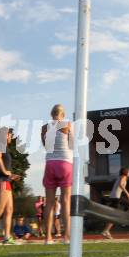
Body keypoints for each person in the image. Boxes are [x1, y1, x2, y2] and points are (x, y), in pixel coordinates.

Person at [41, 104, 73, 244]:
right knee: (66, 201)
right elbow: (72, 145)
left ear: (51, 114)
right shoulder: (68, 125)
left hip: (50, 164)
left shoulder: (44, 128)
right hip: (65, 163)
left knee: (48, 203)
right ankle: (66, 237)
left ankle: (48, 237)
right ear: (63, 115)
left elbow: (46, 146)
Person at [101, 167, 129, 239]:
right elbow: (121, 185)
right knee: (126, 206)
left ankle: (106, 231)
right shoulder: (123, 177)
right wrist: (128, 194)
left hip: (115, 197)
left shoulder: (120, 177)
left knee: (127, 205)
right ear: (125, 172)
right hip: (116, 198)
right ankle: (108, 230)